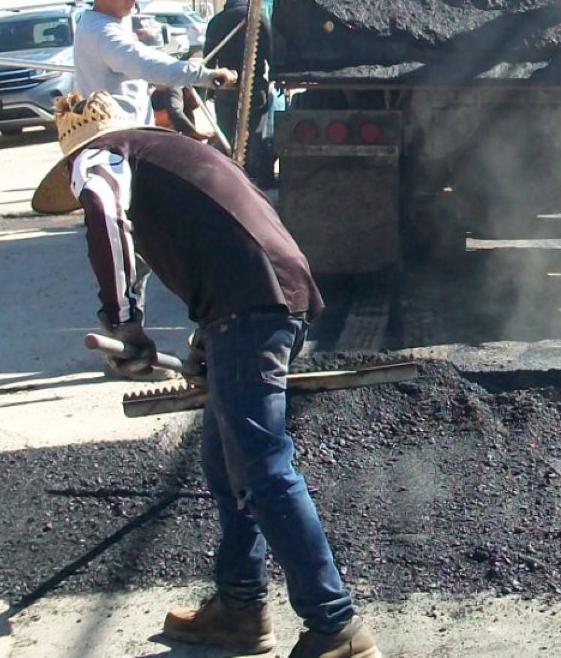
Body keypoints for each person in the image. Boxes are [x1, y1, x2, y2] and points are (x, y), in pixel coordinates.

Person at [32, 91, 382, 658]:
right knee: (226, 460)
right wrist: (204, 338)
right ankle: (240, 607)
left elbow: (104, 212)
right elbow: (205, 235)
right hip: (265, 297)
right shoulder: (169, 153)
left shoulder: (100, 158)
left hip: (247, 304)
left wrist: (124, 321)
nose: (76, 182)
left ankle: (336, 627)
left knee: (261, 465)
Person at [74, 0, 233, 126]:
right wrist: (206, 76)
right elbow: (140, 61)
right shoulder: (101, 31)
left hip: (129, 133)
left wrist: (153, 80)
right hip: (119, 139)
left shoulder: (112, 22)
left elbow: (128, 70)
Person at [205, 0, 274, 185]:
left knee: (226, 132)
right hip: (255, 87)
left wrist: (209, 87)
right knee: (256, 132)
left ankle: (230, 178)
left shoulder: (216, 21)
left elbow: (209, 57)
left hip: (226, 87)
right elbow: (272, 52)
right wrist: (277, 79)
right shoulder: (259, 17)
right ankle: (260, 179)